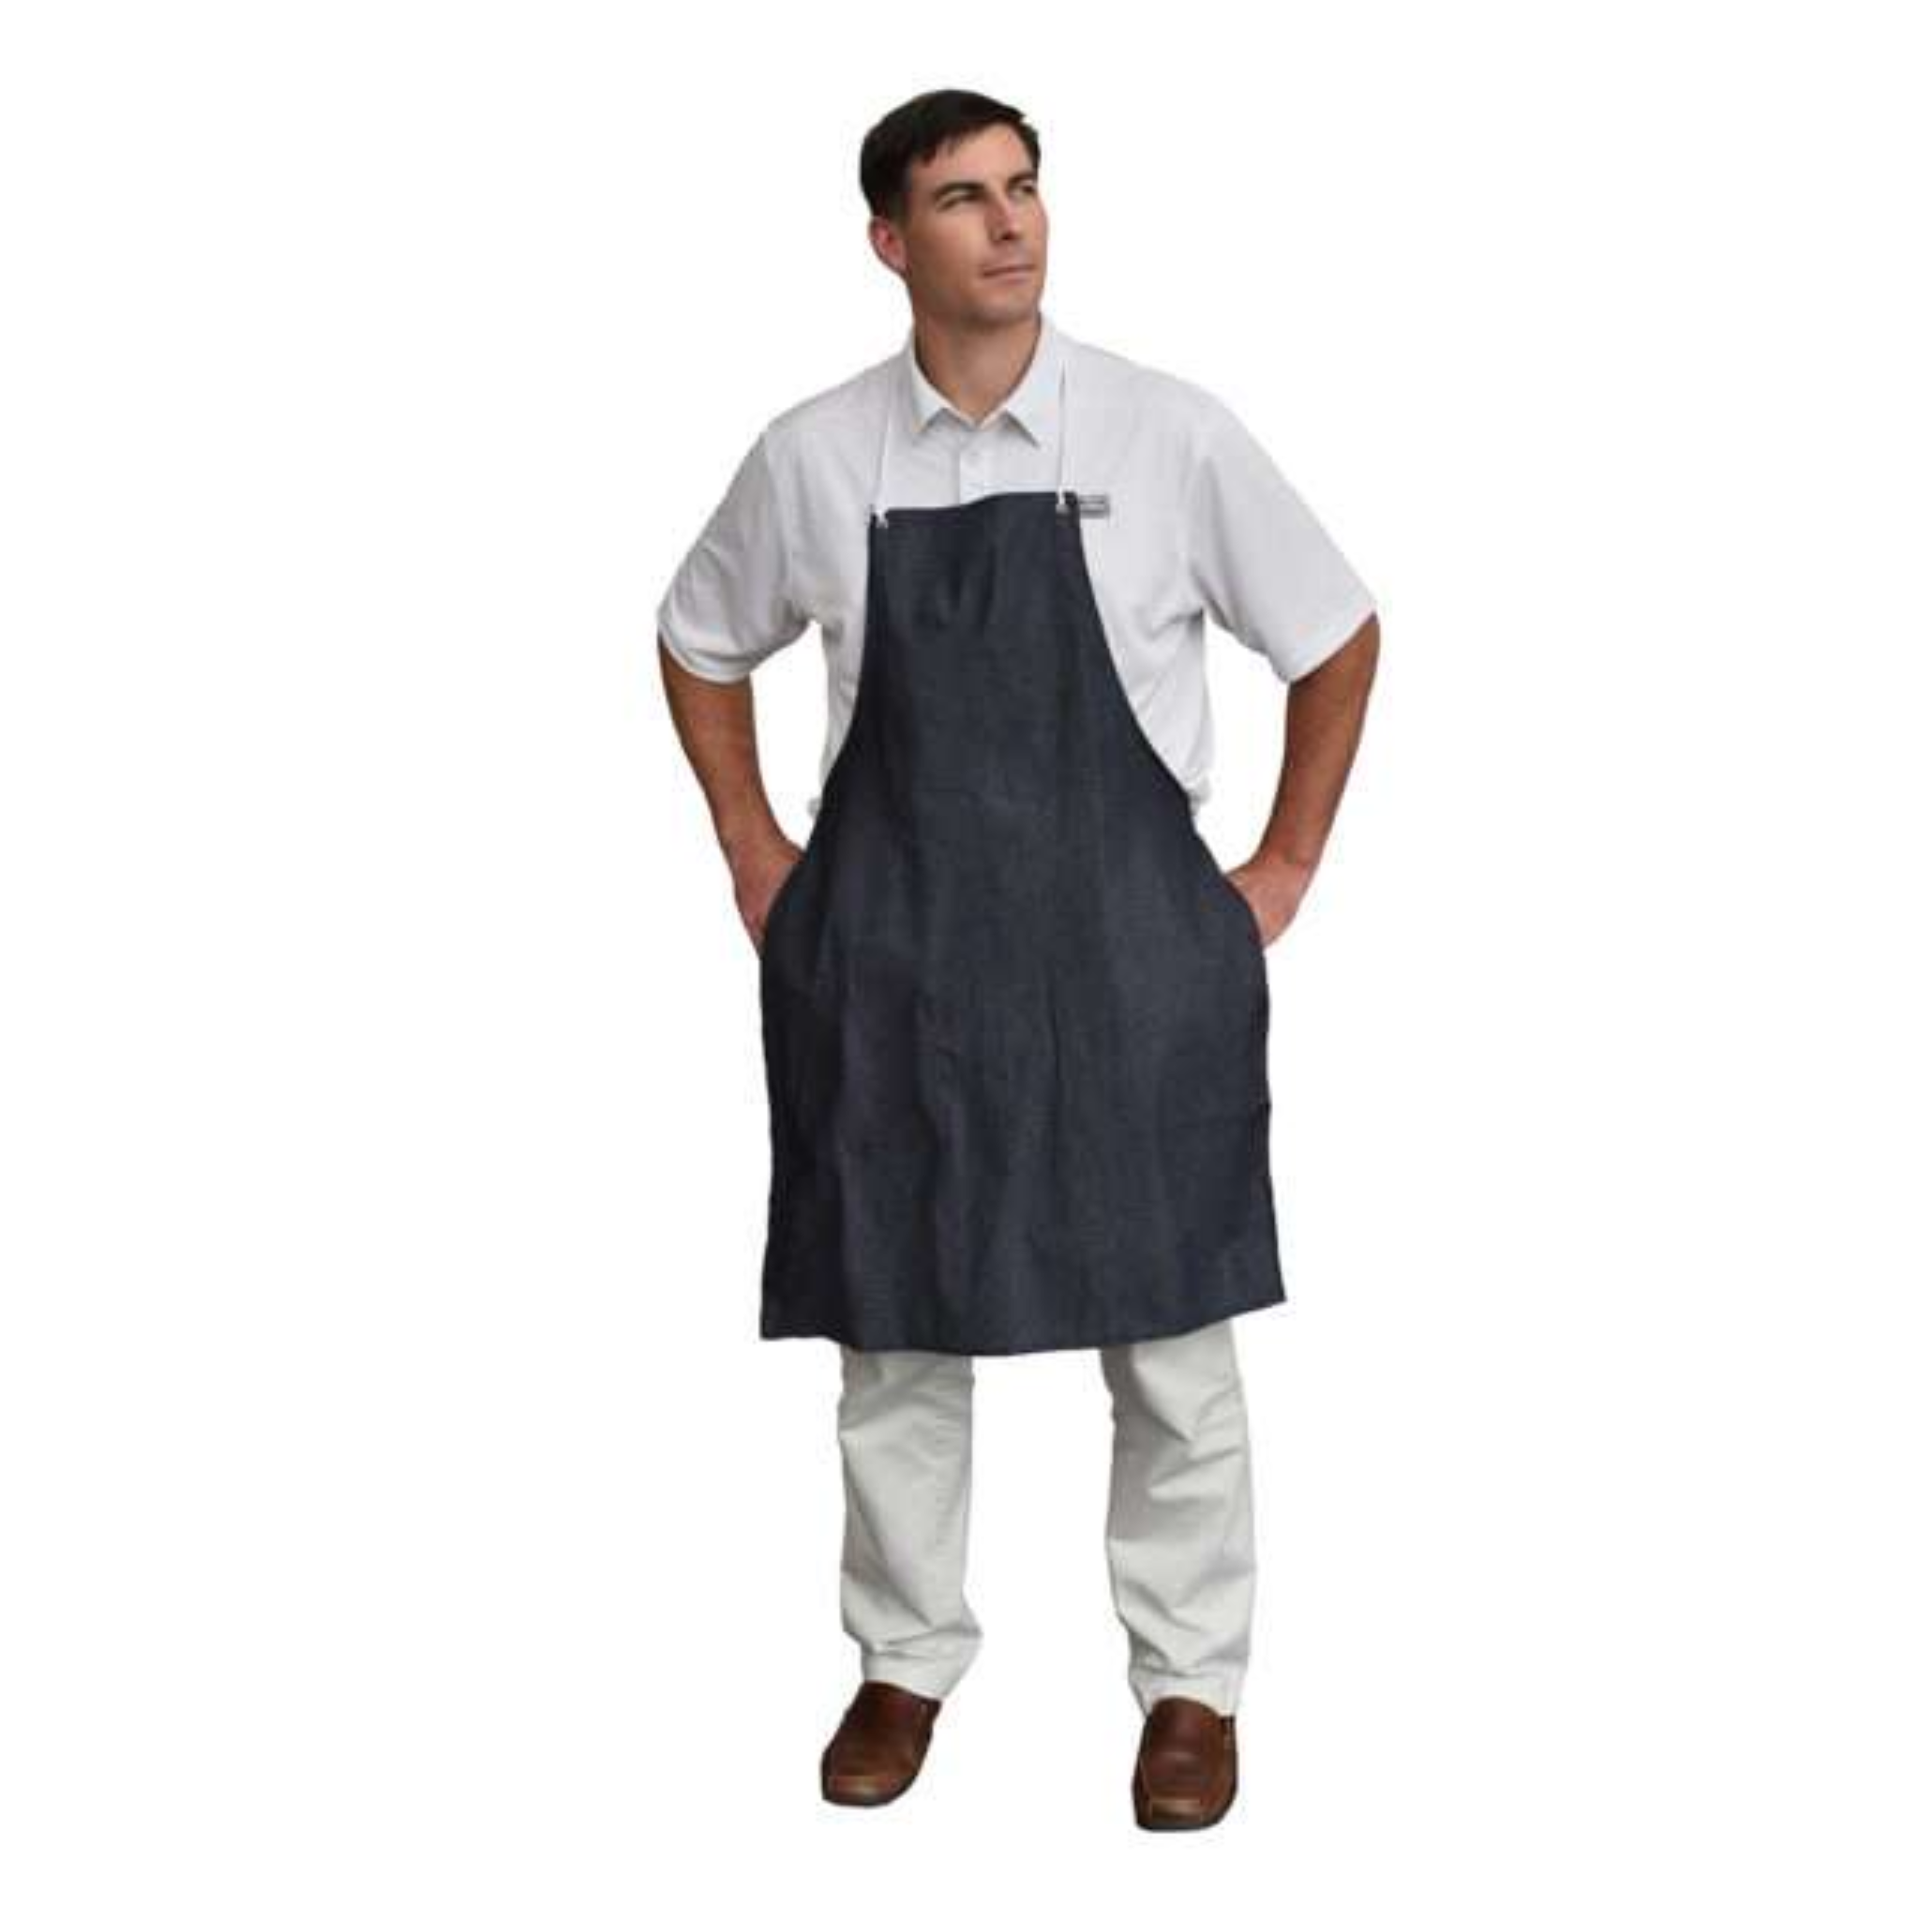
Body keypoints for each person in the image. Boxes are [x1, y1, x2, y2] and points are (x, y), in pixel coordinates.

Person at [656, 88, 1379, 1830]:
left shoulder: (1164, 431)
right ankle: (903, 1662)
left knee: (1173, 1336)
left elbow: (1336, 631)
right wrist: (755, 850)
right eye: (964, 198)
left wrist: (1283, 863)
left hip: (1131, 960)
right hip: (893, 961)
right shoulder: (814, 456)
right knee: (896, 1333)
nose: (1011, 223)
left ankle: (1190, 1689)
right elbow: (696, 638)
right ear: (889, 242)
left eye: (1027, 188)